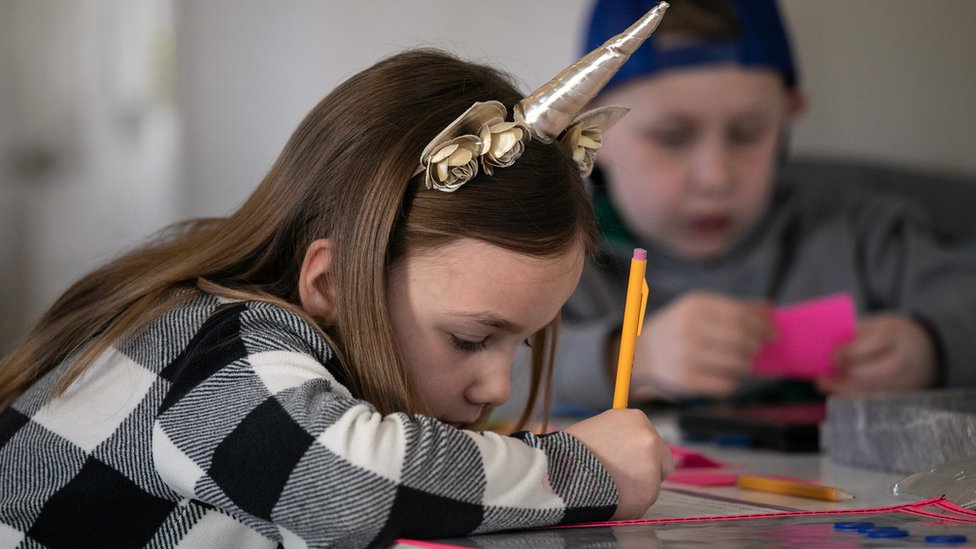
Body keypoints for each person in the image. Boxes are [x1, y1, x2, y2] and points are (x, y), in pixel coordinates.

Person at [0, 6, 676, 547]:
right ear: (329, 283)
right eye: (471, 339)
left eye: (522, 343)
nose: (498, 385)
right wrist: (587, 468)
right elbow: (344, 485)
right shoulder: (217, 349)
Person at [500, 0, 976, 418]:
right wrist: (628, 359)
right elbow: (472, 370)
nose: (716, 177)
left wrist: (932, 345)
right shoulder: (552, 248)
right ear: (589, 130)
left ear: (789, 114)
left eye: (748, 133)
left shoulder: (863, 234)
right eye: (671, 137)